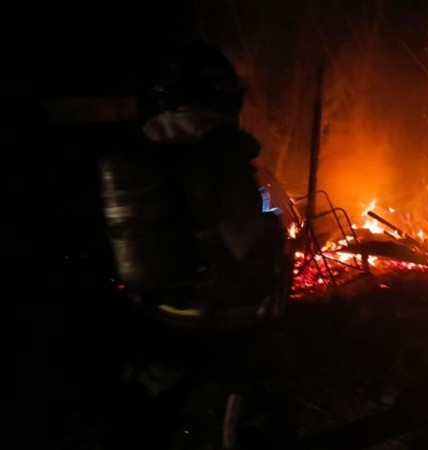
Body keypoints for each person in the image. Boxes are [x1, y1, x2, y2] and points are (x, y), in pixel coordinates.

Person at [99, 42, 294, 449]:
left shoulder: (145, 146)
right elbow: (249, 244)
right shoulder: (220, 152)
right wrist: (275, 231)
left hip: (158, 311)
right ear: (220, 95)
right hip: (220, 316)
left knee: (154, 405)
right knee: (259, 400)